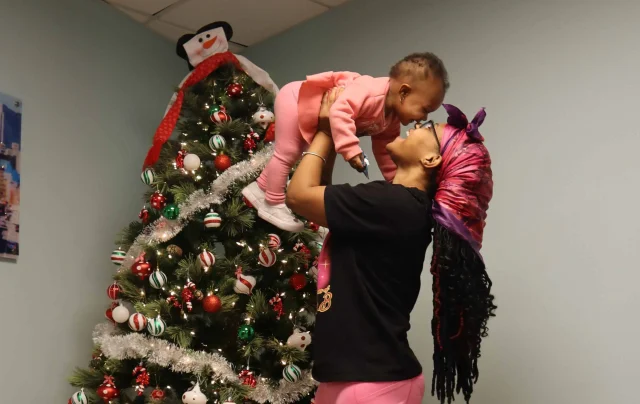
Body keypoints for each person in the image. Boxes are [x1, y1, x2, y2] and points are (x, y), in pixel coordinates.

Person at [286, 89, 495, 404]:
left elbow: (299, 196)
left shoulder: (393, 204)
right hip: (352, 379)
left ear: (430, 159)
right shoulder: (394, 205)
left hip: (372, 384)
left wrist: (326, 132)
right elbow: (318, 199)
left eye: (427, 128)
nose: (417, 125)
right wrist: (335, 132)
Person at [242, 53, 448, 232]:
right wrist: (351, 150)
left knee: (297, 150)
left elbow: (384, 151)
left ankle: (260, 186)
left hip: (312, 116)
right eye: (425, 110)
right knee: (289, 152)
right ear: (403, 92)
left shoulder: (391, 119)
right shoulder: (371, 91)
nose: (423, 119)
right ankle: (273, 201)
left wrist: (395, 183)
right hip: (296, 99)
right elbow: (339, 112)